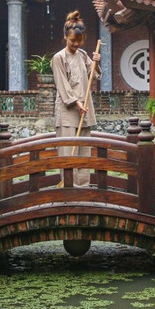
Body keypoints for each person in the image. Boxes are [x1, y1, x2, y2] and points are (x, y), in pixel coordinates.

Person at [52, 10, 101, 187]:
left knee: (83, 152)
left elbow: (92, 75)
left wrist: (96, 62)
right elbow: (62, 85)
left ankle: (83, 188)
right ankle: (68, 188)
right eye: (73, 40)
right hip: (68, 111)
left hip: (85, 110)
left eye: (79, 41)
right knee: (68, 152)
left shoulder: (82, 55)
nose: (76, 44)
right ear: (65, 36)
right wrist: (77, 103)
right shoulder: (58, 58)